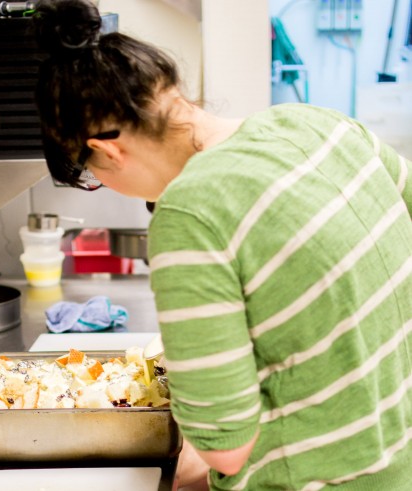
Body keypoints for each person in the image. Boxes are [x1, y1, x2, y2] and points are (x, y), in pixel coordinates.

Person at [32, 1, 412, 489]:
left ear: (108, 149)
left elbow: (226, 449)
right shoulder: (317, 123)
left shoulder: (190, 212)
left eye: (94, 177)